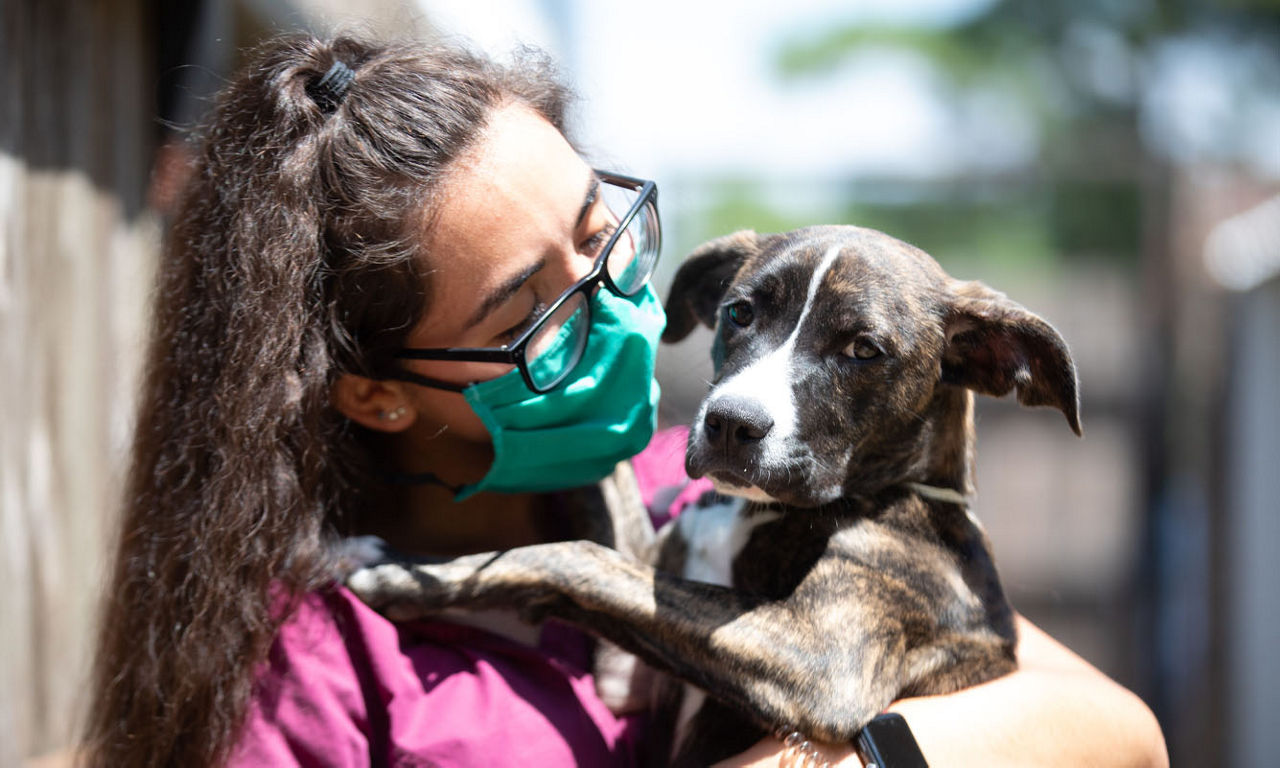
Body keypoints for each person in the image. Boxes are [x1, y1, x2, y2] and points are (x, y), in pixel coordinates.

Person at [84, 33, 1168, 768]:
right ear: (376, 395)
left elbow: (1106, 730)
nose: (618, 314)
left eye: (604, 237)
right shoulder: (308, 672)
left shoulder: (690, 492)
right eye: (534, 311)